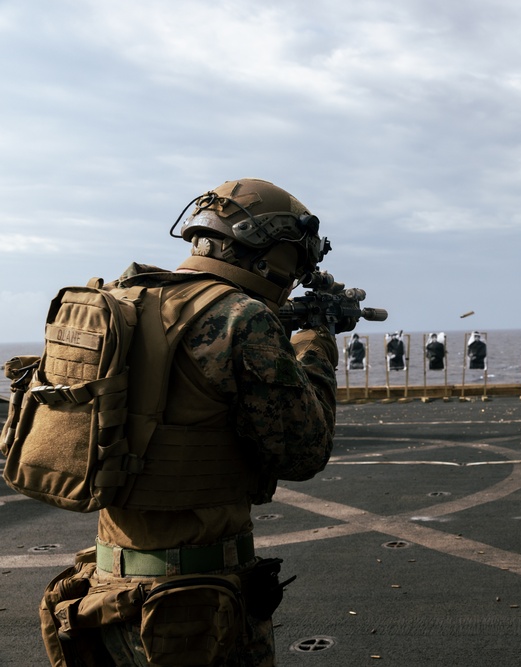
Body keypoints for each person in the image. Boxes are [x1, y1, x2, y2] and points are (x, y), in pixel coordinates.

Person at [38, 178, 339, 666]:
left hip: (102, 588)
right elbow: (305, 451)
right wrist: (315, 346)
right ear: (273, 253)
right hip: (197, 601)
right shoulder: (244, 320)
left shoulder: (118, 300)